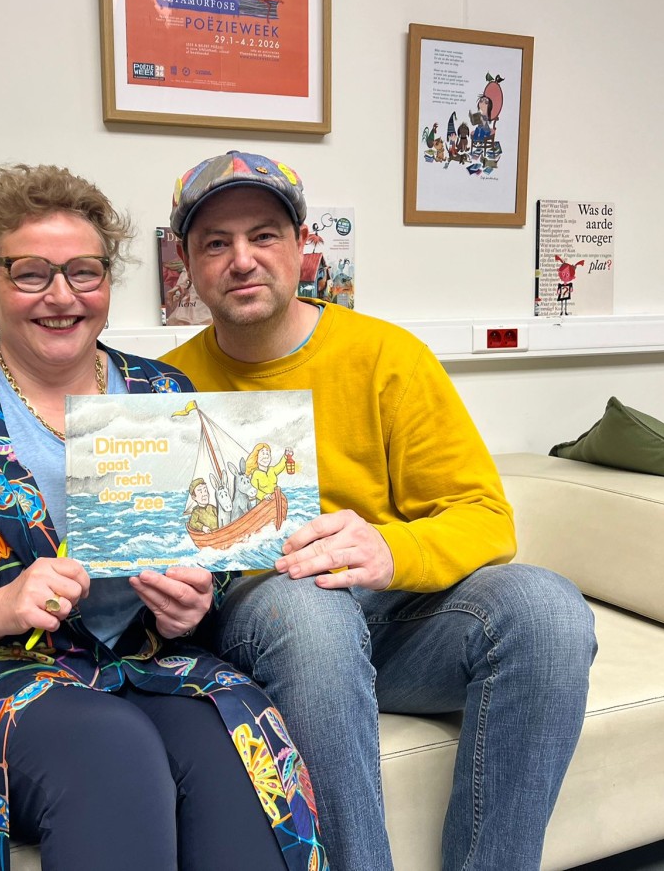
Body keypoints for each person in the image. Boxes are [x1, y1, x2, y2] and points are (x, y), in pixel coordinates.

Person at [0, 163, 326, 871]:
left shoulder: (162, 395)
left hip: (146, 665)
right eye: (31, 273)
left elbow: (212, 559)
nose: (62, 296)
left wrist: (191, 608)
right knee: (112, 745)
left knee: (235, 748)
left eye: (85, 272)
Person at [161, 149, 597, 871]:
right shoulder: (163, 386)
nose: (242, 259)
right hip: (266, 624)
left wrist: (392, 551)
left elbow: (485, 515)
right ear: (186, 262)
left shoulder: (390, 357)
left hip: (393, 618)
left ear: (303, 246)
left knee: (547, 609)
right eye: (215, 243)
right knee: (311, 607)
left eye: (264, 235)